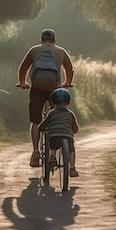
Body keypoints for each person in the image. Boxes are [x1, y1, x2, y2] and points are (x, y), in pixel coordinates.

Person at [17, 28, 74, 167]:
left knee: (36, 120)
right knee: (55, 118)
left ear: (41, 40)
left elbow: (23, 68)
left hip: (36, 89)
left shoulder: (34, 50)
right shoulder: (61, 51)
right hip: (54, 90)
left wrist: (23, 82)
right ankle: (53, 152)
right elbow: (69, 69)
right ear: (55, 41)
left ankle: (36, 151)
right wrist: (67, 83)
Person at [38, 88, 80, 177]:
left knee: (52, 147)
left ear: (53, 102)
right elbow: (75, 128)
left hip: (54, 136)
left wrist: (42, 128)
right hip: (67, 136)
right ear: (68, 102)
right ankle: (72, 168)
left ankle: (52, 156)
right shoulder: (70, 114)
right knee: (71, 150)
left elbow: (42, 126)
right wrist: (73, 130)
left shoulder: (51, 113)